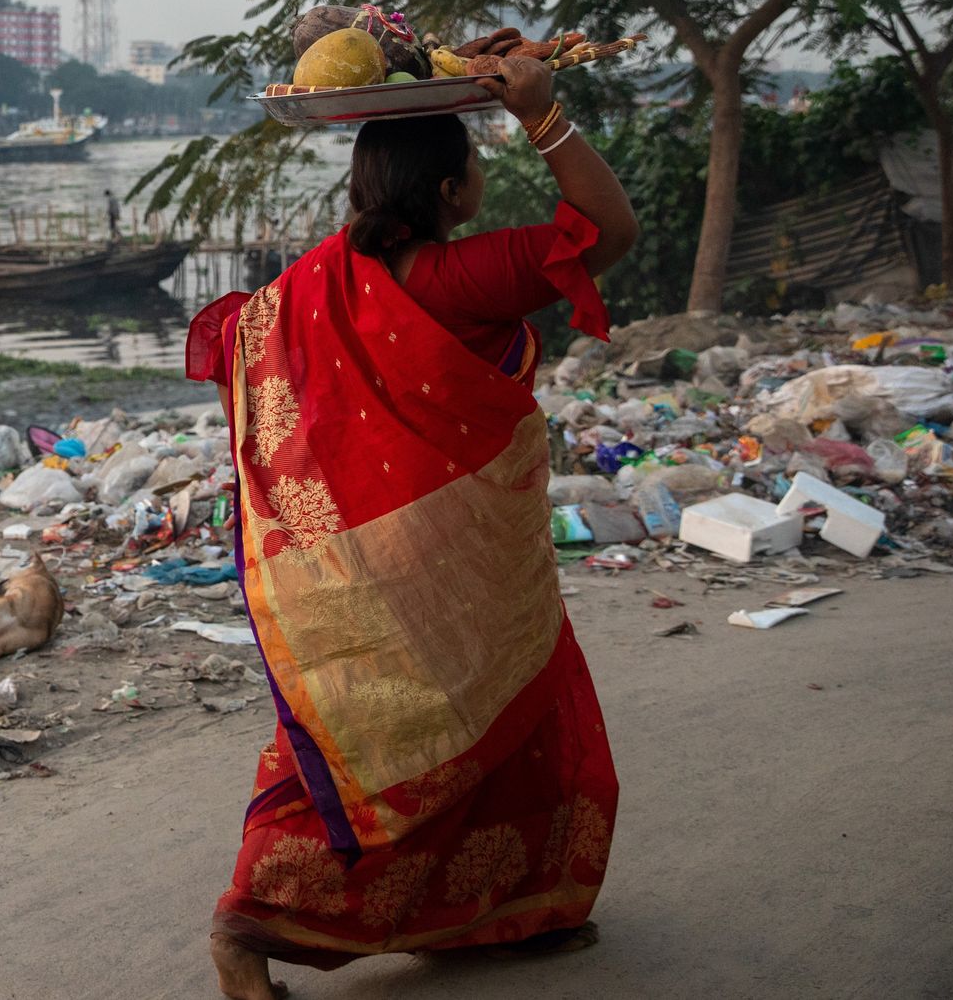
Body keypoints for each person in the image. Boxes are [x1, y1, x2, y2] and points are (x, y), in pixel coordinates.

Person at [185, 57, 637, 999]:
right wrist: (545, 116)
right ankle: (247, 923)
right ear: (447, 190)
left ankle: (479, 916)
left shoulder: (321, 281)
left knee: (366, 740)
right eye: (471, 165)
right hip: (444, 558)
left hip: (355, 560)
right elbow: (608, 232)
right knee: (484, 728)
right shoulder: (460, 274)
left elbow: (232, 345)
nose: (479, 179)